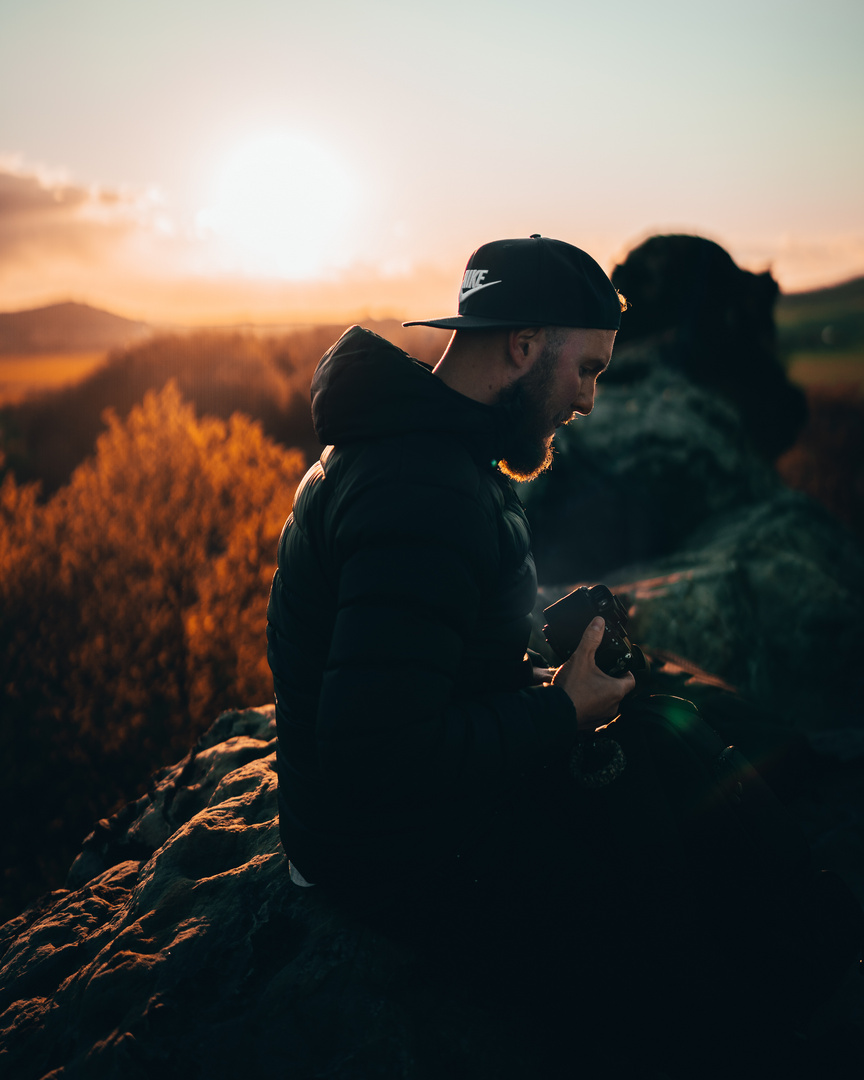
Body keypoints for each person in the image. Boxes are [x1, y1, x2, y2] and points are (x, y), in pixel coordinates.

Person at [266, 236, 862, 1078]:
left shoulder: (424, 443)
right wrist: (560, 709)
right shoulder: (421, 489)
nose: (588, 398)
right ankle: (750, 1027)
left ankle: (807, 970)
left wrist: (541, 635)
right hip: (376, 846)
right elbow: (376, 757)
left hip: (378, 809)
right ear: (522, 346)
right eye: (586, 368)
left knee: (669, 727)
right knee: (637, 785)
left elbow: (417, 633)